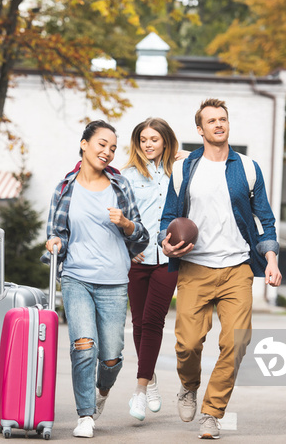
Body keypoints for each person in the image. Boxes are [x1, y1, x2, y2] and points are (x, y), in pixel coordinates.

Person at [159, 98, 282, 440]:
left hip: (237, 268)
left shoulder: (248, 167)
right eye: (211, 120)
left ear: (228, 124)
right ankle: (189, 385)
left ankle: (212, 412)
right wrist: (165, 242)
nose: (218, 124)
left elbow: (265, 220)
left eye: (223, 119)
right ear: (200, 129)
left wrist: (271, 259)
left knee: (237, 341)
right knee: (187, 344)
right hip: (195, 267)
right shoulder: (184, 169)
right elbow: (168, 218)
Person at [43, 120, 148, 438]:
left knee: (112, 357)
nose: (108, 151)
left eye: (113, 148)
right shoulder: (65, 187)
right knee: (83, 345)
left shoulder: (120, 186)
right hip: (76, 278)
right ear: (85, 144)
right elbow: (55, 232)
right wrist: (54, 243)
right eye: (102, 144)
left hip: (115, 281)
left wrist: (127, 225)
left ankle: (102, 391)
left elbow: (141, 238)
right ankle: (85, 414)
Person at [121, 118, 186, 421]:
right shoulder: (127, 177)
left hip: (168, 258)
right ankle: (151, 379)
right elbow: (121, 217)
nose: (148, 144)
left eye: (154, 139)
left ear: (165, 142)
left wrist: (188, 156)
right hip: (137, 258)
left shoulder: (179, 171)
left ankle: (139, 389)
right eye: (143, 139)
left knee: (153, 321)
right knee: (138, 322)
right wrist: (128, 247)